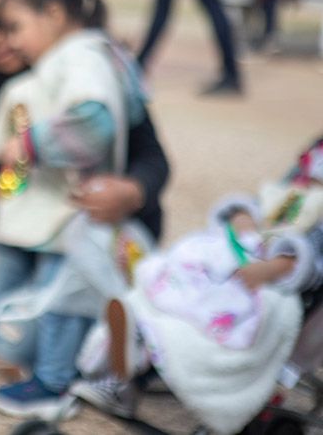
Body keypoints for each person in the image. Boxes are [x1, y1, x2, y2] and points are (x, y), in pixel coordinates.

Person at [0, 0, 169, 419]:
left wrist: (134, 189)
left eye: (1, 22)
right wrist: (11, 190)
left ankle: (114, 343)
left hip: (84, 230)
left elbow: (152, 156)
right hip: (18, 237)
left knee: (14, 350)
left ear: (38, 11)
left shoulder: (83, 65)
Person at [73, 136, 323, 432]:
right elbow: (269, 202)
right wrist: (244, 216)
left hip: (278, 276)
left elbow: (313, 260)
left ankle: (132, 367)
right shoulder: (305, 172)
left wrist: (278, 265)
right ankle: (135, 349)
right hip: (252, 246)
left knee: (206, 308)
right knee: (186, 272)